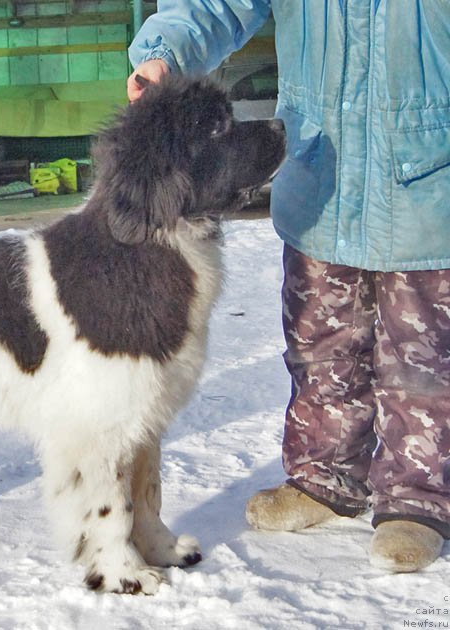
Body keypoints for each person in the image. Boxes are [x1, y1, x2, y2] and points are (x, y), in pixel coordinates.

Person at [128, 1, 450, 572]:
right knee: (319, 347)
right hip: (320, 176)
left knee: (421, 363)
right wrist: (164, 55)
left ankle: (416, 501)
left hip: (430, 178)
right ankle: (323, 480)